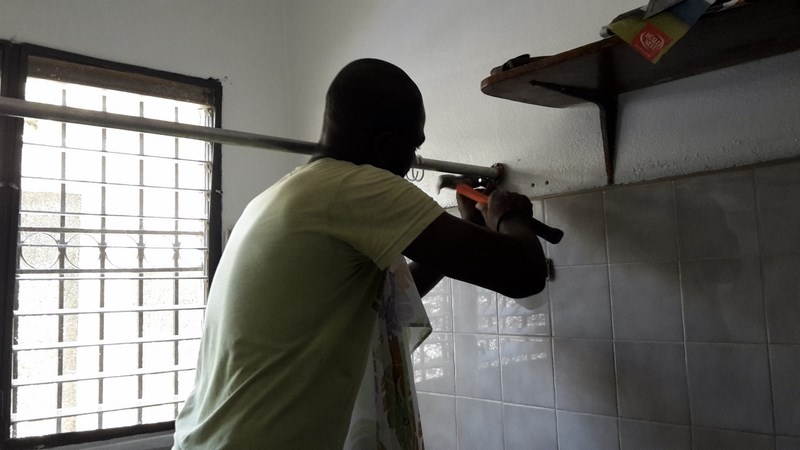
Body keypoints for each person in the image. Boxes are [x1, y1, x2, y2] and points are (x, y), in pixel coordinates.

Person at [173, 58, 548, 449]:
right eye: (413, 149)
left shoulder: (279, 197)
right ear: (386, 146)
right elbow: (525, 273)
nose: (411, 165)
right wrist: (510, 215)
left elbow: (387, 301)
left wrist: (471, 228)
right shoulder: (357, 187)